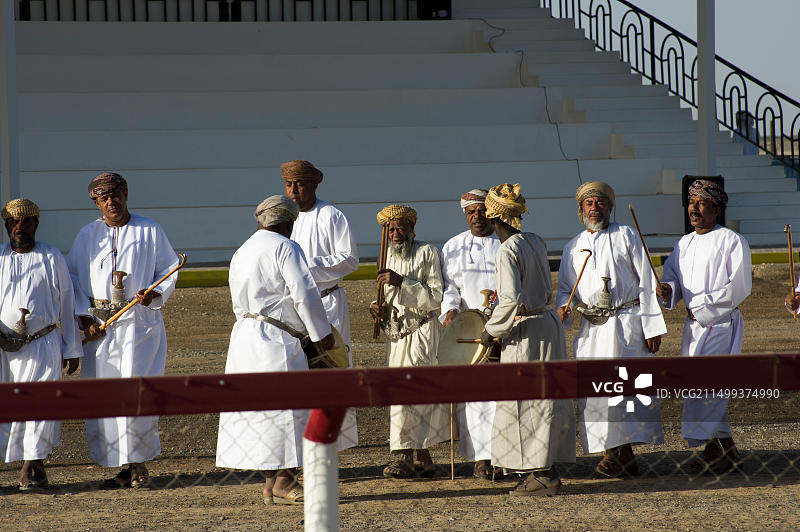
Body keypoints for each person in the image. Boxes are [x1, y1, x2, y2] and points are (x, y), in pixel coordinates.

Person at [216, 195, 334, 505]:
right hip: (275, 340)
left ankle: (271, 483)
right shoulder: (285, 247)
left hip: (244, 336)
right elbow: (304, 294)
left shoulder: (242, 251)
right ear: (287, 222)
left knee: (261, 411)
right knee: (288, 409)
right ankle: (283, 481)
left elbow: (238, 302)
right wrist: (321, 333)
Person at [67, 172, 180, 489]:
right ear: (97, 203)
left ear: (126, 194)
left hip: (136, 327)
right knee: (105, 395)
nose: (111, 202)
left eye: (115, 195)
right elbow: (73, 280)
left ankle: (138, 462)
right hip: (101, 330)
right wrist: (83, 318)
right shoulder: (87, 235)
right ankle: (118, 464)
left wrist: (155, 294)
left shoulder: (149, 229)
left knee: (136, 393)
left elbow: (169, 269)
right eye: (104, 198)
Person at [557, 181, 666, 478]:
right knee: (596, 391)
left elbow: (646, 280)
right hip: (592, 330)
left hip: (626, 322)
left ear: (610, 206)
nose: (595, 208)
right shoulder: (572, 247)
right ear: (580, 210)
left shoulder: (626, 235)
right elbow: (567, 291)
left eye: (600, 203)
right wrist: (563, 311)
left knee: (626, 389)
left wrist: (652, 325)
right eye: (589, 203)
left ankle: (623, 452)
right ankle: (612, 452)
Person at [478, 183, 575, 496]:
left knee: (526, 400)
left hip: (528, 331)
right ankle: (544, 468)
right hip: (548, 324)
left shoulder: (506, 251)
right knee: (546, 398)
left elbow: (509, 300)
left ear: (494, 221)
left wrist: (490, 332)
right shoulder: (535, 240)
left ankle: (541, 474)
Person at [656, 179, 751, 473]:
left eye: (701, 203)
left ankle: (714, 452)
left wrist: (702, 307)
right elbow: (672, 276)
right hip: (693, 328)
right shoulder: (684, 243)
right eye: (691, 203)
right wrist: (667, 290)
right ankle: (726, 450)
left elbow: (740, 286)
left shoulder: (732, 240)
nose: (694, 209)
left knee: (711, 387)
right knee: (696, 388)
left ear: (716, 208)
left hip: (721, 324)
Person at [0, 199, 83, 491]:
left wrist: (72, 348)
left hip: (44, 343)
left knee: (41, 405)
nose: (19, 227)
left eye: (26, 222)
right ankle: (34, 466)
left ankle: (30, 466)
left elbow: (68, 302)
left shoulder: (51, 256)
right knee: (11, 406)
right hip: (5, 351)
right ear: (6, 225)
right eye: (13, 222)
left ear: (36, 224)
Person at [283, 159, 359, 450]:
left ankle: (331, 447)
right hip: (293, 310)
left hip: (326, 304)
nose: (293, 191)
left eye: (299, 184)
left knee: (330, 371)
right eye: (289, 184)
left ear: (314, 183)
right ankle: (301, 448)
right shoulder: (282, 216)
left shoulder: (331, 216)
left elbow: (349, 259)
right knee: (299, 375)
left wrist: (304, 268)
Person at [370, 204, 449, 479]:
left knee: (415, 395)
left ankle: (403, 457)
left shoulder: (427, 252)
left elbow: (436, 297)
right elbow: (384, 299)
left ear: (412, 229)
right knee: (399, 396)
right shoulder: (384, 256)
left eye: (401, 227)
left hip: (422, 332)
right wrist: (377, 308)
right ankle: (424, 458)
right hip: (397, 337)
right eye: (391, 229)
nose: (396, 233)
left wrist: (402, 281)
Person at [439, 189, 502, 480]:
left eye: (481, 211)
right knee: (475, 399)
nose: (476, 216)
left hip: (504, 328)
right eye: (471, 212)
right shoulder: (452, 247)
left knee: (503, 396)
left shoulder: (506, 243)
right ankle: (481, 458)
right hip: (469, 332)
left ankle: (505, 455)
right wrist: (450, 311)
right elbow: (449, 288)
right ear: (464, 214)